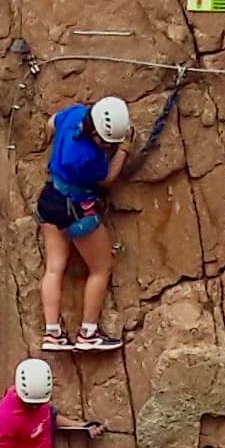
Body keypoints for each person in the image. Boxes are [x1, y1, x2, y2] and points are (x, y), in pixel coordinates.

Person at [34, 93, 138, 350]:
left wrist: (58, 143)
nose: (105, 146)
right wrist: (124, 149)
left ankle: (52, 333)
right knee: (101, 267)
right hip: (77, 210)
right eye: (104, 142)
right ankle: (88, 333)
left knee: (54, 268)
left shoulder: (75, 114)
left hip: (50, 199)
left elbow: (51, 122)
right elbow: (107, 179)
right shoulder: (87, 158)